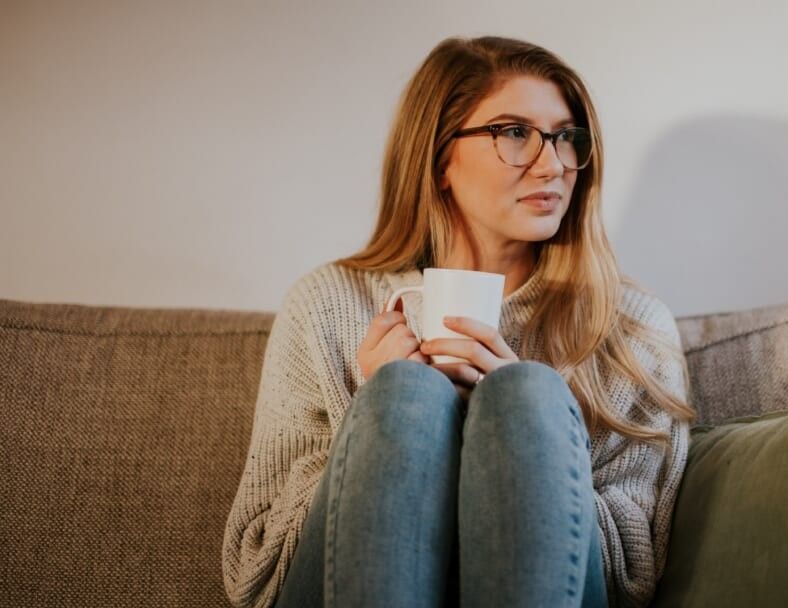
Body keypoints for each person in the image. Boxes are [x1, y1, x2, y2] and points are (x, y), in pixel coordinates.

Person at [221, 35, 696, 608]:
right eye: (515, 133)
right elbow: (256, 574)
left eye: (565, 136)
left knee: (524, 395)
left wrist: (523, 438)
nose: (552, 164)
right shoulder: (326, 305)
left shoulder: (629, 326)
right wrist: (377, 416)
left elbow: (632, 577)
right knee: (403, 395)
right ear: (441, 158)